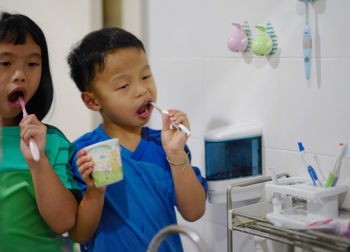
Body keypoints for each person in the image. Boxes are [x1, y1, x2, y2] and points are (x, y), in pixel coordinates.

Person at [67, 27, 207, 252]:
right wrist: (95, 192)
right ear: (92, 101)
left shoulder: (165, 147)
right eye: (124, 86)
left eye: (145, 76)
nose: (143, 90)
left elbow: (194, 211)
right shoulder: (83, 153)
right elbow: (79, 234)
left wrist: (177, 155)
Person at [0, 12, 81, 251]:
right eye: (5, 63)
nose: (20, 75)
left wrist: (38, 163)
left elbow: (64, 222)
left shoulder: (52, 142)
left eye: (32, 64)